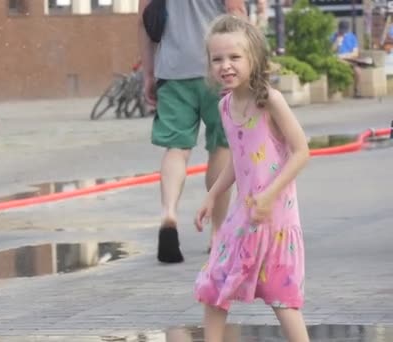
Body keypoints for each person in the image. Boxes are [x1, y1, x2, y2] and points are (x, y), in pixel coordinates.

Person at [194, 15, 310, 342]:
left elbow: (301, 151)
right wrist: (212, 195)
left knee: (282, 298)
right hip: (241, 218)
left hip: (274, 220)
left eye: (234, 57)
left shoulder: (269, 100)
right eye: (217, 59)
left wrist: (270, 195)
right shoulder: (225, 106)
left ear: (254, 58)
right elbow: (238, 158)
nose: (225, 66)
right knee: (214, 286)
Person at [138, 0, 247, 263]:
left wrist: (149, 73)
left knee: (176, 147)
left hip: (172, 70)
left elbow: (145, 21)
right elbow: (236, 14)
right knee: (221, 146)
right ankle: (218, 233)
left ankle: (169, 215)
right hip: (219, 69)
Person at [331, 20, 362, 97]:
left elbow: (355, 53)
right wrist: (337, 42)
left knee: (358, 71)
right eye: (341, 30)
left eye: (344, 31)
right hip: (337, 60)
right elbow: (331, 51)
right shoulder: (333, 36)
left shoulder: (352, 37)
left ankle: (357, 90)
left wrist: (345, 55)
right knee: (339, 60)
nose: (343, 33)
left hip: (348, 59)